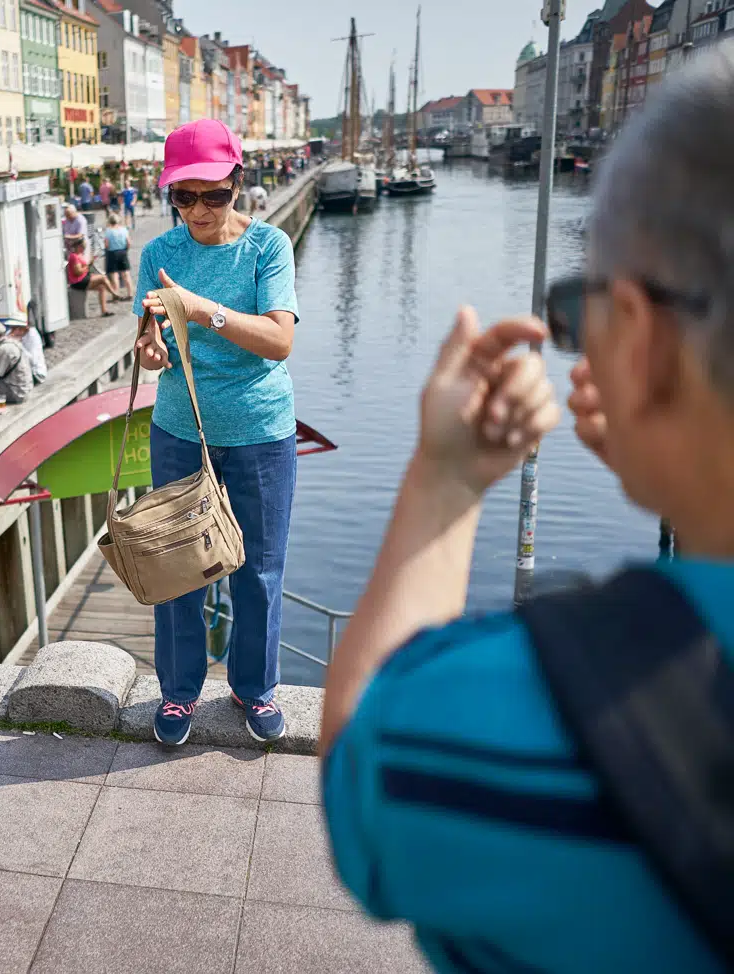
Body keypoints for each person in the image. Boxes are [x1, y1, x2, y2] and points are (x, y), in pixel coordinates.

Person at [319, 54, 734, 974]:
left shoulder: (534, 727)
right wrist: (676, 450)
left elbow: (359, 762)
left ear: (644, 339)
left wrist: (447, 480)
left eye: (585, 312)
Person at [133, 118, 299, 746]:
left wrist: (205, 310)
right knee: (178, 566)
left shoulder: (267, 247)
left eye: (214, 195)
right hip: (181, 428)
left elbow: (279, 340)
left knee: (258, 570)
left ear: (238, 182)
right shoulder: (158, 255)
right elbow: (147, 340)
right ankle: (179, 691)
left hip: (260, 429)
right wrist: (150, 350)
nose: (199, 210)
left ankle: (254, 687)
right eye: (184, 196)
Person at [67, 239, 118, 318]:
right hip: (78, 282)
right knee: (103, 278)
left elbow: (84, 269)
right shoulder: (74, 256)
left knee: (102, 287)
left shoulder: (80, 255)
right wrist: (88, 266)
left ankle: (104, 311)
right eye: (83, 246)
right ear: (78, 246)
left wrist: (90, 263)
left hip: (83, 278)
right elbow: (78, 272)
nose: (84, 248)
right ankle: (114, 294)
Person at [101, 211, 133, 298]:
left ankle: (116, 293)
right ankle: (130, 293)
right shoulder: (124, 229)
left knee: (114, 275)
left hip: (112, 253)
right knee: (126, 274)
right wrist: (125, 250)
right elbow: (128, 242)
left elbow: (106, 244)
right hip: (123, 252)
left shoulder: (108, 231)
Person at [8, 319, 47, 384]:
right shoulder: (12, 333)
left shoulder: (32, 335)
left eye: (13, 328)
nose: (11, 331)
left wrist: (18, 344)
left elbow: (33, 361)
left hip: (35, 374)